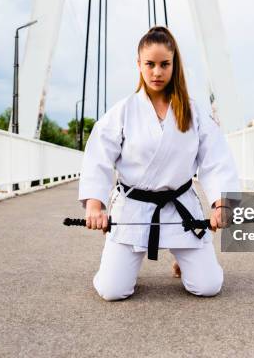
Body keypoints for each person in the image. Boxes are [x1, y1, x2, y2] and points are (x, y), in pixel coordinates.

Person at [78, 26, 240, 301]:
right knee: (112, 291)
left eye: (164, 64)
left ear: (174, 65)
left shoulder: (192, 111)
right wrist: (95, 206)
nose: (156, 72)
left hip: (181, 209)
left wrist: (221, 205)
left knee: (208, 286)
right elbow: (98, 158)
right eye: (149, 64)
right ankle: (119, 261)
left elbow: (216, 159)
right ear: (139, 64)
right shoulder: (123, 111)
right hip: (133, 210)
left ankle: (186, 255)